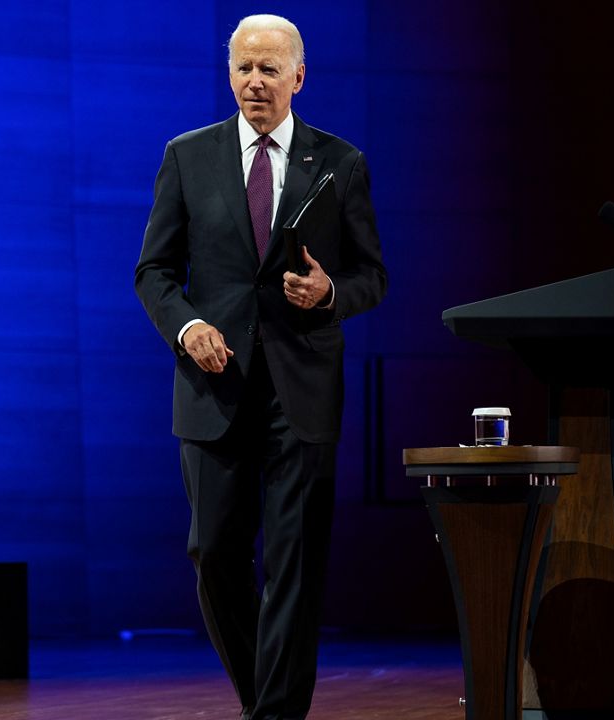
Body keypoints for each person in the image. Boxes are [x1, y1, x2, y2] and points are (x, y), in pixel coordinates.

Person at [134, 14, 387, 720]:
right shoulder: (187, 156)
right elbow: (153, 271)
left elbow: (373, 275)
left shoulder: (340, 162)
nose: (254, 81)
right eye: (243, 67)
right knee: (213, 555)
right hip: (215, 386)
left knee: (294, 564)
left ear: (298, 78)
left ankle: (276, 715)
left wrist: (330, 292)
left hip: (301, 390)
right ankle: (264, 700)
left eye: (269, 69)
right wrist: (186, 328)